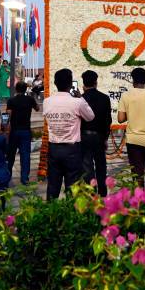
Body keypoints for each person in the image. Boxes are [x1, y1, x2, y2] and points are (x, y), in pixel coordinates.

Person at [43, 69, 94, 200]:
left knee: (53, 186)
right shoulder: (77, 102)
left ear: (55, 83)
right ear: (71, 84)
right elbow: (90, 117)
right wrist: (80, 97)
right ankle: (71, 214)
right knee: (72, 186)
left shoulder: (47, 102)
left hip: (54, 148)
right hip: (72, 150)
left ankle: (50, 214)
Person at [80, 70, 112, 196]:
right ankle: (103, 193)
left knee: (87, 168)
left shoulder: (80, 99)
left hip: (84, 137)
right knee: (101, 166)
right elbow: (107, 120)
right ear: (96, 82)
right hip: (99, 137)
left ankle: (91, 194)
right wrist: (105, 138)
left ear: (83, 84)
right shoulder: (105, 98)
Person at [6, 81, 39, 185]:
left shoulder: (11, 100)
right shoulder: (30, 99)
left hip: (14, 131)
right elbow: (37, 109)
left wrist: (5, 128)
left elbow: (7, 115)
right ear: (25, 89)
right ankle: (24, 178)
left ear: (16, 89)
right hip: (25, 130)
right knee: (25, 155)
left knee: (10, 155)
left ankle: (7, 176)